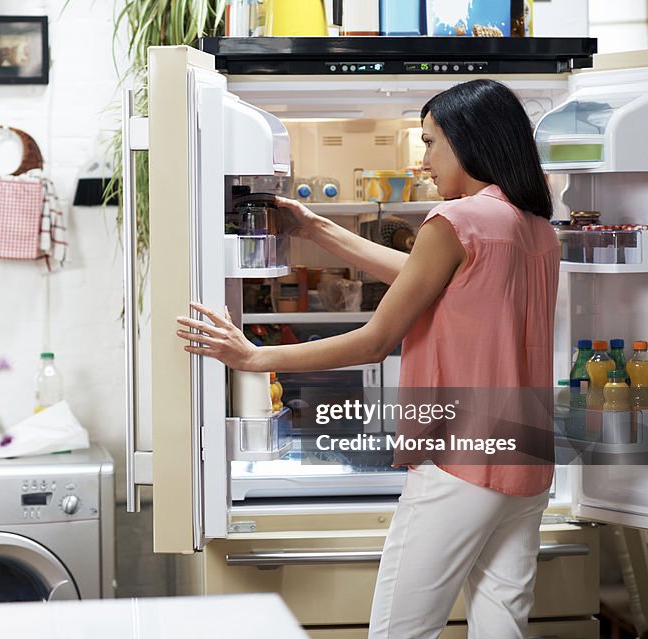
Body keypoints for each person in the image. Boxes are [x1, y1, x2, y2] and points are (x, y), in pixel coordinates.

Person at [175, 79, 559, 638]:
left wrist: (254, 357)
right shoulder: (534, 227)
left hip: (462, 461)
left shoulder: (455, 221)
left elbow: (376, 339)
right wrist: (316, 227)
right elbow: (421, 280)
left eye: (430, 143)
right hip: (526, 458)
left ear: (467, 141)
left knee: (399, 631)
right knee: (503, 625)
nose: (424, 160)